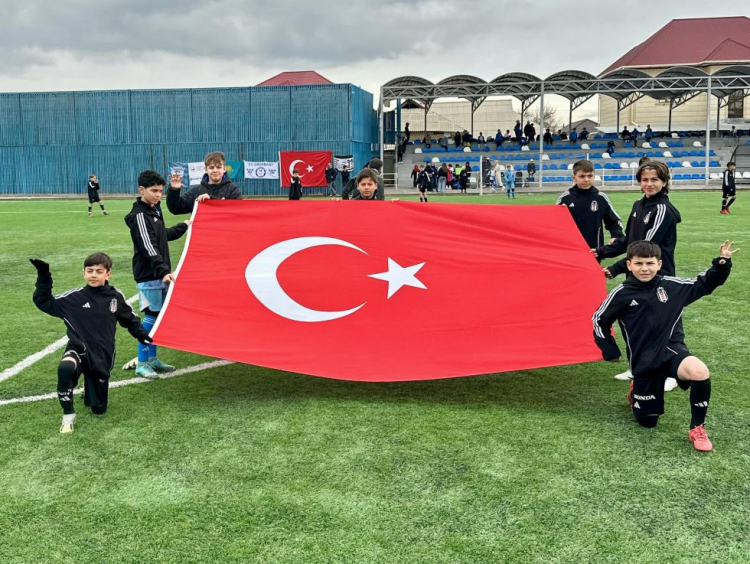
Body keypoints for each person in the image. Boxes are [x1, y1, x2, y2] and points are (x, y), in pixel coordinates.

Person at [592, 240, 736, 451]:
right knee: (647, 422)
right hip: (644, 362)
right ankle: (636, 391)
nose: (645, 268)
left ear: (659, 264)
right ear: (629, 265)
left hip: (672, 351)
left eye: (650, 263)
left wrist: (722, 263)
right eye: (639, 263)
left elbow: (705, 283)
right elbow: (599, 320)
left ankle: (697, 428)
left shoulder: (672, 286)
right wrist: (610, 350)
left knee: (700, 371)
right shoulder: (621, 294)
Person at [30, 253, 152, 433]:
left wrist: (141, 335)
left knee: (98, 409)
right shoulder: (74, 298)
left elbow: (130, 319)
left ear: (108, 274)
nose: (94, 275)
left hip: (103, 354)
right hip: (78, 348)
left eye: (99, 271)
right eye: (90, 271)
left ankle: (91, 389)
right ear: (84, 273)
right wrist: (43, 275)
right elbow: (43, 301)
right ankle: (68, 414)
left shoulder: (115, 296)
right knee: (65, 368)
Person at [594, 161, 682, 388]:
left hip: (657, 277)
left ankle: (671, 374)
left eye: (654, 180)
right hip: (635, 275)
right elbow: (629, 240)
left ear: (664, 182)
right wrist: (601, 252)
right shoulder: (638, 205)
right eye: (645, 180)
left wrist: (616, 268)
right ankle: (637, 366)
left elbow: (645, 247)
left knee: (664, 324)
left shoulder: (663, 210)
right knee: (633, 321)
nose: (649, 184)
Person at [124, 170, 190, 379]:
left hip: (160, 273)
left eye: (161, 191)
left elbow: (163, 235)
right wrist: (163, 270)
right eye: (154, 191)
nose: (158, 195)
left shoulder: (154, 209)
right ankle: (142, 362)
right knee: (152, 316)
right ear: (141, 190)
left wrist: (184, 226)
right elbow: (149, 247)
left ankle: (152, 359)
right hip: (150, 275)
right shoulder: (139, 216)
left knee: (159, 316)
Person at [556, 160, 623, 249]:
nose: (586, 180)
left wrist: (616, 235)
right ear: (574, 177)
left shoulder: (600, 197)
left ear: (594, 176)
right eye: (582, 176)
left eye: (590, 176)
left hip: (594, 250)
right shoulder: (565, 198)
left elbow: (614, 221)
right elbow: (553, 222)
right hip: (571, 248)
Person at [166, 151, 241, 214]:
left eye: (218, 167)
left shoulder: (232, 190)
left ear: (224, 169)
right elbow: (175, 208)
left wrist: (211, 200)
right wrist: (174, 190)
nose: (215, 170)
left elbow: (238, 211)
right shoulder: (196, 191)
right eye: (211, 167)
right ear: (206, 170)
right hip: (202, 228)